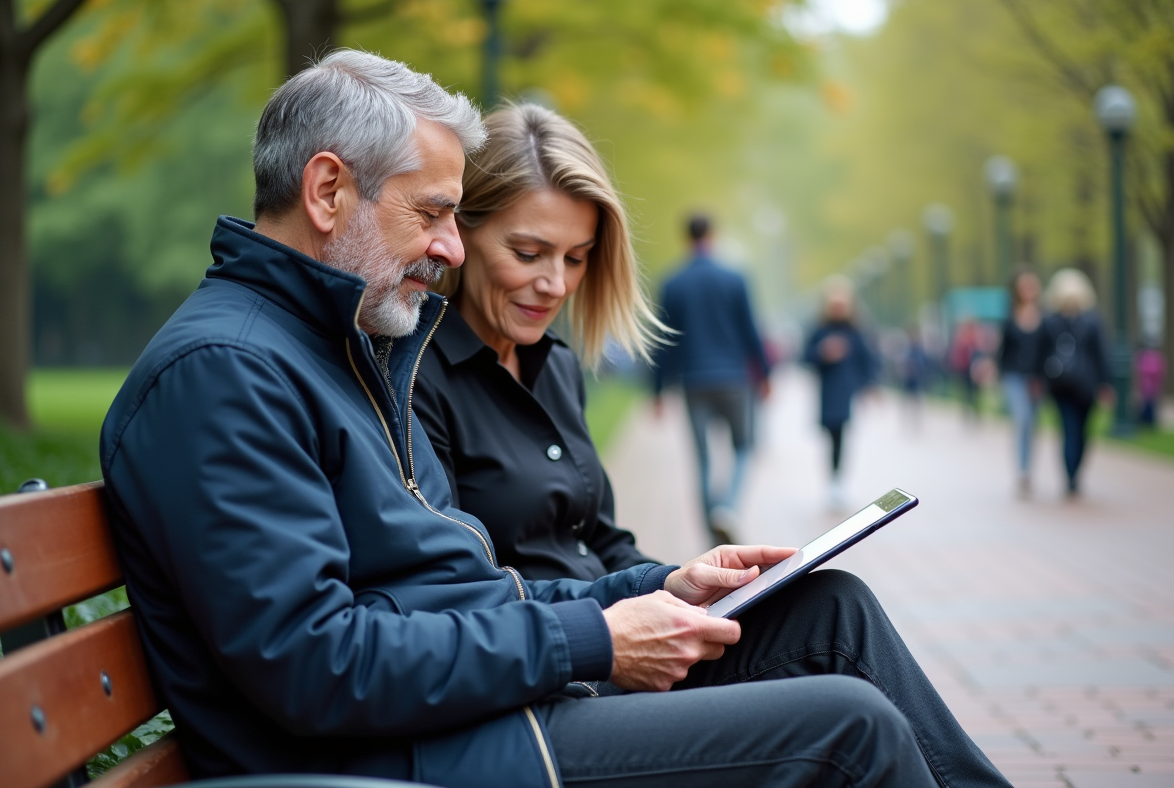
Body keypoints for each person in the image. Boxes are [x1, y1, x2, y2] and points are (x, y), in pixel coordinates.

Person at [101, 50, 1010, 788]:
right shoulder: (225, 373)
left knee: (824, 615)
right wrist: (598, 639)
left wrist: (648, 592)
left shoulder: (341, 352)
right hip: (402, 758)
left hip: (470, 719)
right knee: (845, 730)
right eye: (435, 215)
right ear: (329, 190)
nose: (451, 250)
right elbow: (316, 664)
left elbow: (471, 590)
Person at [415, 104, 661, 582]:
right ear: (459, 232)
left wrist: (686, 587)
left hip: (619, 626)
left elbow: (600, 539)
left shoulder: (558, 367)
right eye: (529, 254)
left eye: (575, 259)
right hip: (560, 645)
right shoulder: (416, 376)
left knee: (826, 600)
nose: (556, 284)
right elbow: (457, 585)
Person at [652, 214, 771, 545]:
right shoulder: (735, 278)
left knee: (702, 458)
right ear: (713, 236)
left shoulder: (673, 282)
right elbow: (750, 329)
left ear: (686, 237)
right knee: (745, 446)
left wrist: (658, 389)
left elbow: (664, 341)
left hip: (693, 381)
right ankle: (728, 506)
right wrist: (765, 374)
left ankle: (712, 536)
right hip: (734, 377)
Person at [1034, 268, 1112, 498]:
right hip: (1068, 386)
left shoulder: (1084, 321)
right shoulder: (1057, 321)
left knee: (1077, 431)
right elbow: (1041, 353)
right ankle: (1072, 476)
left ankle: (1072, 474)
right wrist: (1105, 384)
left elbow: (1101, 353)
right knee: (1073, 430)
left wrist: (1105, 383)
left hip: (1075, 385)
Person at [803, 276, 878, 511]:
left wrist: (869, 385)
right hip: (827, 393)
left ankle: (838, 482)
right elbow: (805, 358)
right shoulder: (819, 330)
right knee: (830, 436)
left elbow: (868, 361)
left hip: (846, 393)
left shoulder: (856, 331)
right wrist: (823, 353)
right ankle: (833, 481)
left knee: (842, 436)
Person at [997, 269, 1043, 496]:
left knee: (1033, 425)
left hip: (1036, 379)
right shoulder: (1009, 317)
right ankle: (1022, 472)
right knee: (1022, 420)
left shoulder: (1044, 317)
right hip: (1014, 377)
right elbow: (1002, 352)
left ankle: (1029, 470)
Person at [1135, 339, 1166, 428]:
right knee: (1144, 404)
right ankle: (1145, 422)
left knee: (1151, 404)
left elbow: (1158, 373)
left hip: (1152, 387)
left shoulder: (1157, 358)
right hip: (1145, 386)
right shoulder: (1143, 357)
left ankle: (1149, 422)